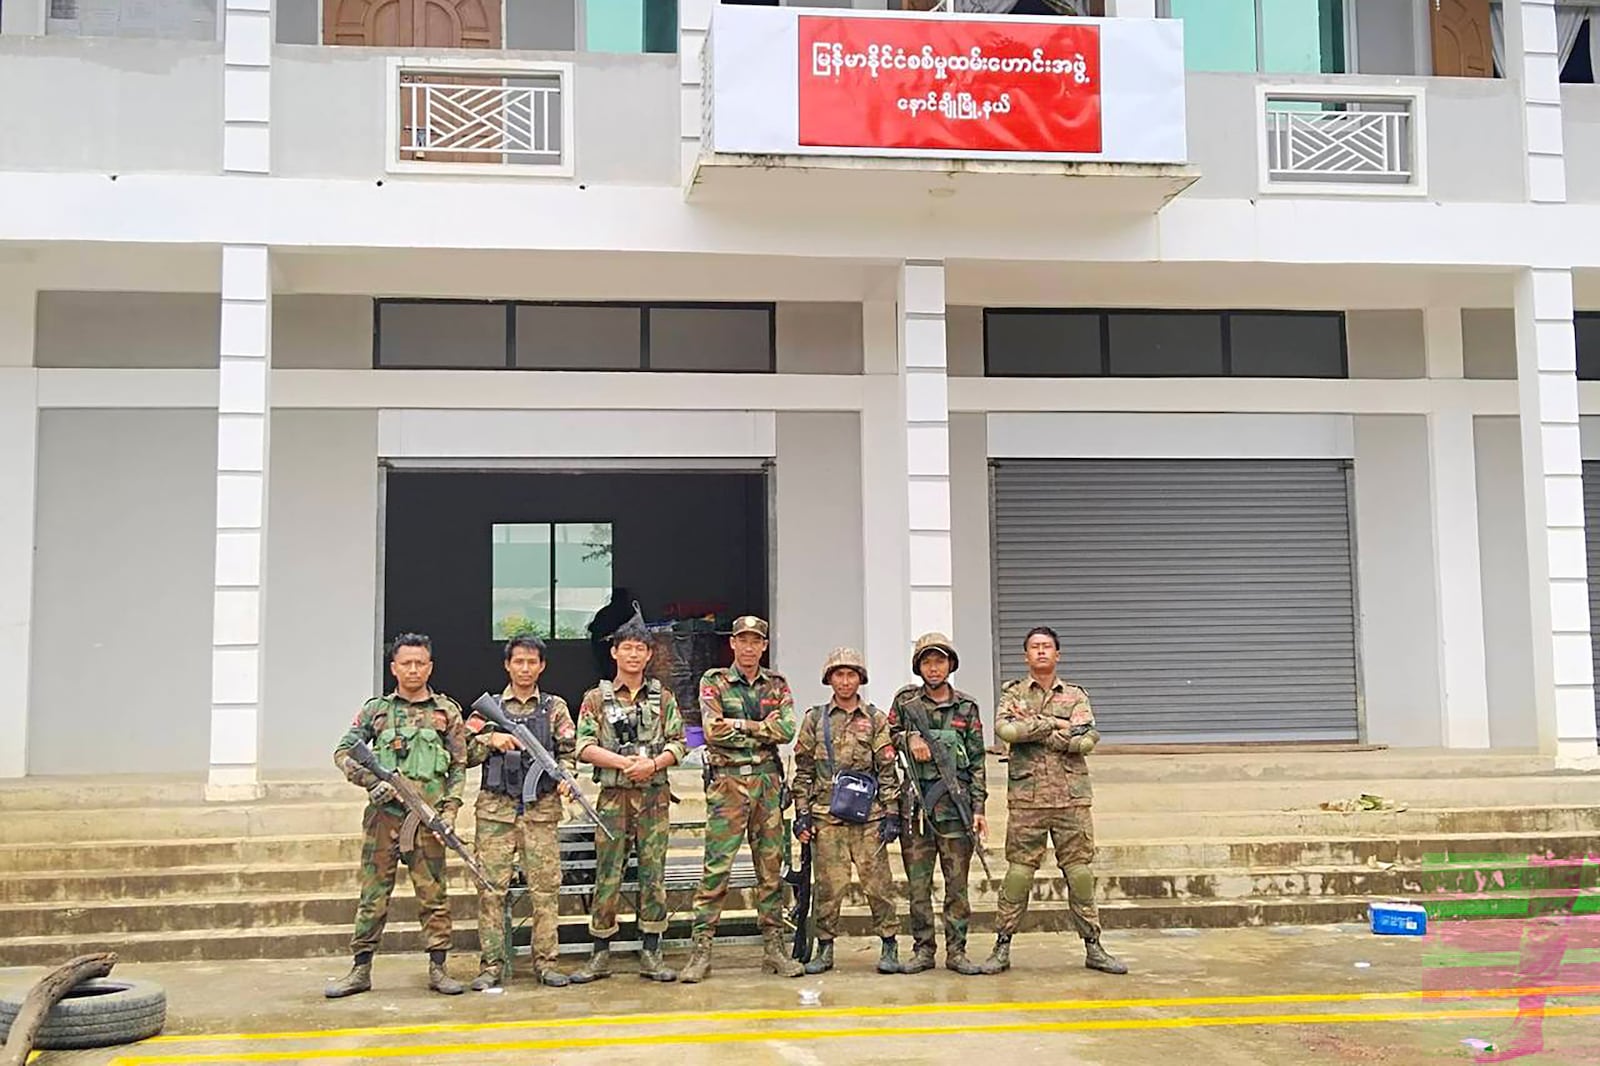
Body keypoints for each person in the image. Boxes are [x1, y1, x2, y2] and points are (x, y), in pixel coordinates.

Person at [326, 632, 468, 997]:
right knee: (373, 894)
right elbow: (343, 752)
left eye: (420, 662)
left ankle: (438, 968)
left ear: (430, 666)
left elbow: (457, 767)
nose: (413, 669)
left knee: (433, 894)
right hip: (383, 818)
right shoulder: (376, 711)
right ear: (394, 667)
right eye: (406, 663)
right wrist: (371, 781)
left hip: (427, 819)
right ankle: (360, 969)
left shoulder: (446, 712)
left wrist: (450, 810)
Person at [980, 626, 1127, 976]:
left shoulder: (1075, 695)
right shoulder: (1012, 694)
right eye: (1035, 647)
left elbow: (1088, 739)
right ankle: (1002, 945)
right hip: (1027, 801)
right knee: (1018, 875)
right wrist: (1057, 726)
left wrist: (1037, 726)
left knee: (1079, 874)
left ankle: (1093, 946)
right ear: (1026, 656)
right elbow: (1006, 732)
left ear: (1057, 654)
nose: (1041, 652)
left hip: (1070, 800)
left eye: (1047, 647)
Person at [678, 615, 803, 983]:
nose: (749, 647)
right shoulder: (714, 681)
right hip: (728, 786)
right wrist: (761, 729)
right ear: (732, 643)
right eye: (742, 640)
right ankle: (701, 950)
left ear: (764, 646)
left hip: (767, 785)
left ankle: (774, 949)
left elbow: (786, 730)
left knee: (770, 870)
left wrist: (741, 725)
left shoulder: (776, 684)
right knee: (716, 869)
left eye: (756, 641)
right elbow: (712, 731)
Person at [570, 610, 688, 983]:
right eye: (627, 648)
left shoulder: (663, 697)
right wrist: (625, 763)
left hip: (653, 797)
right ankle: (600, 951)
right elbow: (584, 746)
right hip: (614, 797)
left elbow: (680, 744)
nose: (634, 655)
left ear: (649, 655)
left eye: (640, 648)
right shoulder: (594, 698)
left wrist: (652, 765)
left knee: (653, 873)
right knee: (608, 874)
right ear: (615, 653)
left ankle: (651, 951)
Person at [463, 633, 577, 991]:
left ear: (542, 666)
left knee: (545, 891)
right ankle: (492, 966)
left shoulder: (555, 707)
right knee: (491, 891)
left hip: (541, 811)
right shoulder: (488, 709)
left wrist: (566, 777)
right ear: (507, 665)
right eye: (519, 661)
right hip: (496, 813)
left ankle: (546, 963)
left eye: (532, 662)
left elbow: (570, 750)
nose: (525, 668)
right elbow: (461, 749)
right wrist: (489, 740)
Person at [791, 647, 903, 975]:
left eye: (851, 674)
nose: (844, 681)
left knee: (878, 885)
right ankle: (825, 948)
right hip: (828, 817)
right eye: (838, 675)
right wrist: (802, 814)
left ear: (860, 679)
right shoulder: (815, 719)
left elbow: (886, 770)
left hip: (870, 818)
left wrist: (892, 812)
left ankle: (889, 944)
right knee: (829, 887)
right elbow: (804, 771)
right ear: (829, 679)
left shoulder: (876, 719)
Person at [889, 631, 988, 976]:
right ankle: (923, 949)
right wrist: (909, 737)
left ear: (950, 664)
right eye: (927, 661)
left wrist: (978, 810)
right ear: (919, 666)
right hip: (916, 810)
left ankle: (957, 951)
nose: (934, 668)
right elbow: (884, 740)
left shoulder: (966, 707)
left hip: (955, 811)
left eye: (940, 660)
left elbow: (977, 762)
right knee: (918, 886)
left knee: (957, 886)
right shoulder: (905, 703)